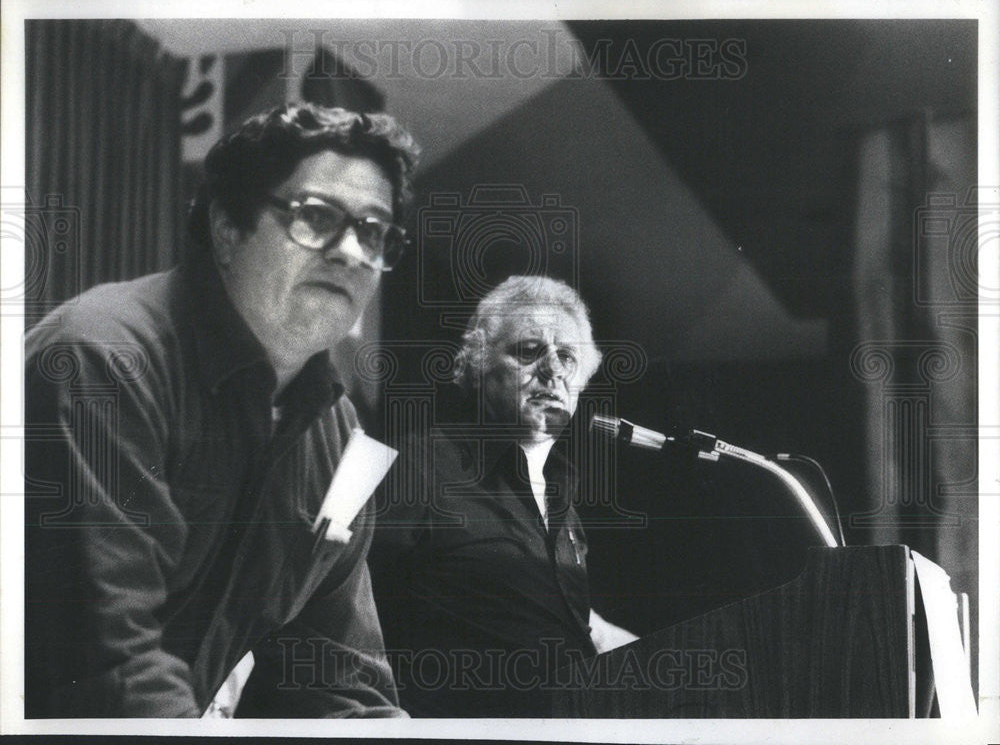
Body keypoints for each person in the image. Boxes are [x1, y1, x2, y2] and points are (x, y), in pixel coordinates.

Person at [24, 103, 418, 717]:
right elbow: (109, 669)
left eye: (373, 232)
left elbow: (338, 683)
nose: (350, 253)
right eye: (316, 218)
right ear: (227, 229)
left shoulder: (344, 443)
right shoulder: (100, 359)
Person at [370, 275, 638, 717]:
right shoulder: (415, 464)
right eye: (530, 350)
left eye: (567, 357)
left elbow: (565, 627)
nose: (552, 370)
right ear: (477, 363)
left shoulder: (563, 504)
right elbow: (330, 595)